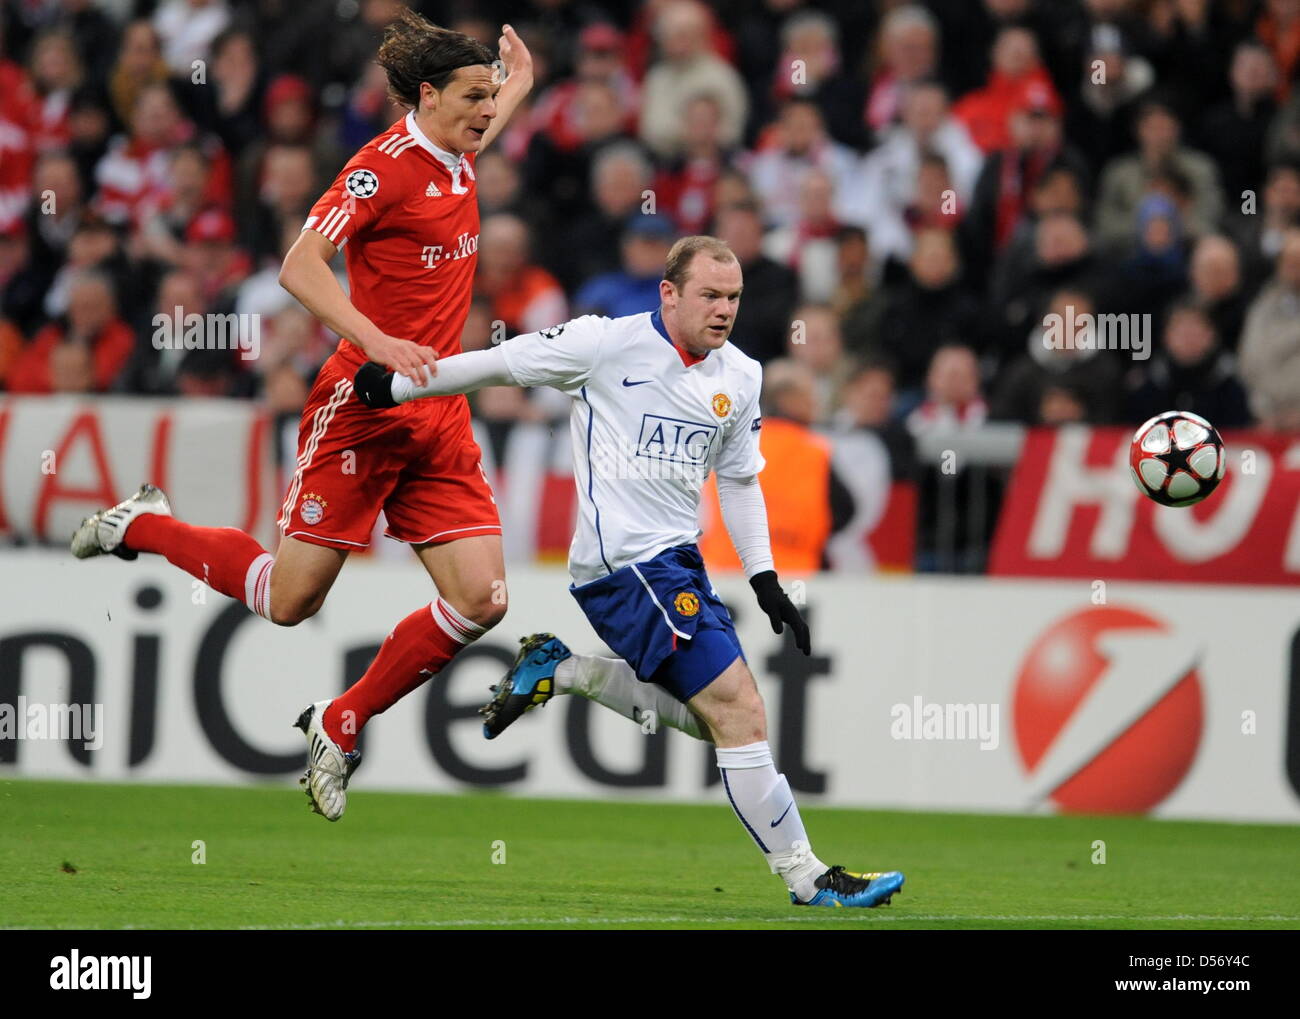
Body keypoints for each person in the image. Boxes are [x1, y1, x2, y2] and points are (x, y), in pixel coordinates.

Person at [68, 11, 534, 822]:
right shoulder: (378, 169)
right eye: (474, 98)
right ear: (425, 97)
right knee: (289, 603)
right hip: (363, 406)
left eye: (491, 100)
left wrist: (516, 79)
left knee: (484, 598)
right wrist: (376, 337)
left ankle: (342, 721)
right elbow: (299, 265)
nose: (486, 114)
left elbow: (481, 128)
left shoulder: (458, 153)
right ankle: (144, 526)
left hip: (439, 412)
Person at [350, 235, 905, 909]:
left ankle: (566, 670)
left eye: (733, 297)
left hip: (680, 562)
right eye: (709, 295)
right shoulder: (603, 344)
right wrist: (400, 383)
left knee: (717, 722)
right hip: (623, 565)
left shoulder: (742, 375)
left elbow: (738, 480)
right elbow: (501, 363)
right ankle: (807, 876)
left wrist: (763, 577)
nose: (724, 309)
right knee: (741, 708)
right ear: (668, 293)